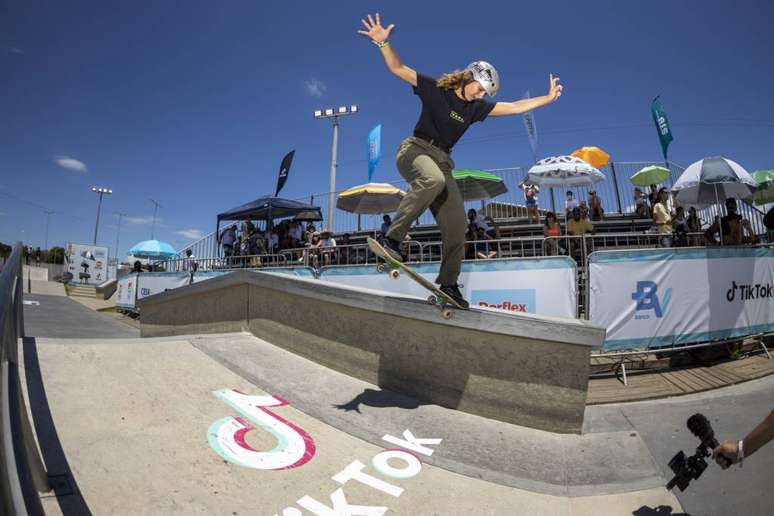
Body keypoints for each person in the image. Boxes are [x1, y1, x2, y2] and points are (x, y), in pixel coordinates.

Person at [358, 12, 563, 308]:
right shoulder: (435, 88)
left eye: (484, 93)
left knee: (457, 226)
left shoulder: (475, 109)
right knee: (433, 179)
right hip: (414, 150)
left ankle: (449, 284)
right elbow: (397, 67)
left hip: (443, 161)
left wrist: (546, 98)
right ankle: (391, 239)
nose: (479, 96)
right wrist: (383, 42)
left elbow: (516, 106)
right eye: (478, 88)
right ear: (469, 76)